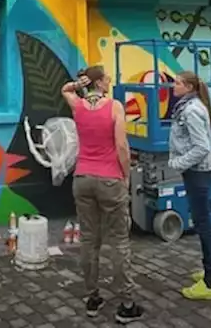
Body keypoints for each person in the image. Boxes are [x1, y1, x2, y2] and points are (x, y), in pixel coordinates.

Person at [62, 66, 144, 324]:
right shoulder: (115, 107)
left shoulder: (78, 107)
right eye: (106, 78)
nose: (109, 81)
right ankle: (127, 303)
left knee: (89, 240)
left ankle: (92, 297)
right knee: (119, 240)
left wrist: (79, 84)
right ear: (98, 82)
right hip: (110, 179)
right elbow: (121, 145)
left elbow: (65, 89)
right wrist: (126, 174)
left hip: (83, 178)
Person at [168, 70, 211, 301]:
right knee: (204, 222)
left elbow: (201, 147)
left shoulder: (191, 110)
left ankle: (209, 283)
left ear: (189, 87)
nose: (173, 86)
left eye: (178, 83)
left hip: (197, 173)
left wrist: (179, 162)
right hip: (198, 172)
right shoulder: (191, 106)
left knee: (203, 224)